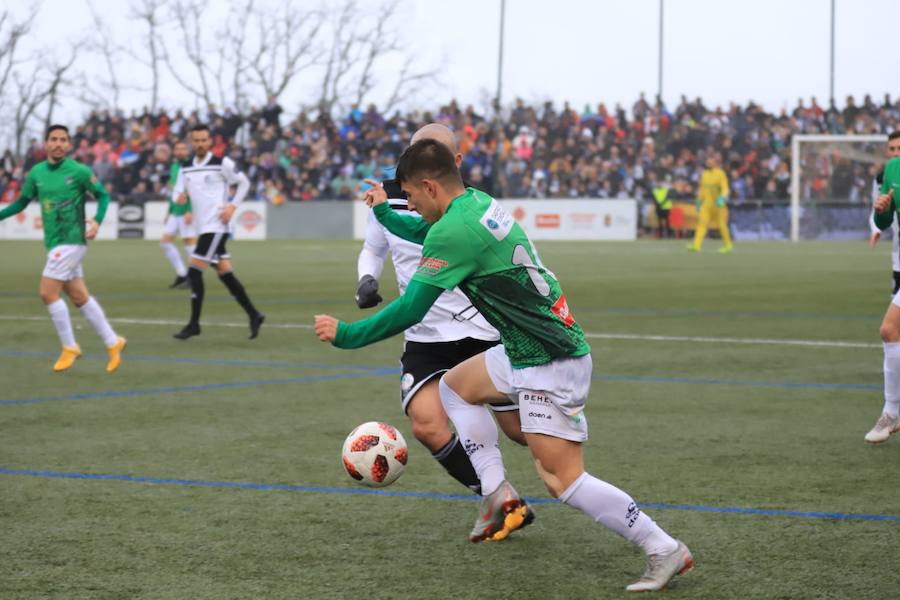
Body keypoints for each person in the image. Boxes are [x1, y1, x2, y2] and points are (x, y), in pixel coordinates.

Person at [316, 139, 692, 592]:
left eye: (412, 198)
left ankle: (663, 547)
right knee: (455, 388)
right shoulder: (474, 203)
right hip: (521, 346)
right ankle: (496, 494)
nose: (410, 206)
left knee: (561, 478)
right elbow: (425, 235)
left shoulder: (454, 231)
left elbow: (411, 309)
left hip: (549, 357)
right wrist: (385, 214)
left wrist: (346, 335)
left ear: (430, 187)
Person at [356, 124, 531, 528]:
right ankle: (501, 500)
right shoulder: (390, 194)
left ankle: (566, 449)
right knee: (427, 425)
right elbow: (373, 246)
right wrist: (366, 278)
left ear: (455, 162)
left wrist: (348, 335)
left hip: (480, 329)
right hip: (425, 335)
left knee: (519, 431)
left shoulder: (465, 204)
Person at [0, 124, 126, 373]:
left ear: (68, 145)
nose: (58, 144)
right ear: (46, 143)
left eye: (63, 140)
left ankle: (70, 346)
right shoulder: (36, 173)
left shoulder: (78, 171)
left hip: (73, 239)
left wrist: (97, 221)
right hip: (55, 242)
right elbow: (22, 202)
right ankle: (113, 342)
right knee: (79, 297)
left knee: (47, 293)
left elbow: (102, 195)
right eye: (54, 139)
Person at [171, 124, 264, 340]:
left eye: (204, 140)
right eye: (196, 140)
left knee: (194, 272)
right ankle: (254, 314)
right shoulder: (185, 168)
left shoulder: (222, 163)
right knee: (226, 274)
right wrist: (179, 197)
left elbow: (244, 183)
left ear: (209, 141)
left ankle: (194, 324)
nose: (200, 144)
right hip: (203, 228)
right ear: (191, 142)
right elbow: (177, 191)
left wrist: (232, 206)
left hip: (217, 226)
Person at [866, 151, 900, 444]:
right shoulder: (893, 169)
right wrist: (881, 209)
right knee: (889, 330)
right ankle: (891, 412)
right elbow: (886, 219)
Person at [160, 141, 196, 289]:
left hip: (186, 211)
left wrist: (190, 210)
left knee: (189, 244)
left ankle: (194, 276)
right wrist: (169, 211)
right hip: (175, 211)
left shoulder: (192, 166)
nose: (180, 151)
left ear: (187, 151)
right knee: (165, 242)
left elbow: (194, 189)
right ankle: (182, 274)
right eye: (177, 149)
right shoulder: (174, 166)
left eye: (183, 149)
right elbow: (173, 190)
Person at [868, 131, 900, 297]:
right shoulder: (883, 177)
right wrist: (876, 229)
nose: (895, 153)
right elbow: (877, 209)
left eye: (899, 148)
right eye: (892, 148)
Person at [687, 152, 733, 253]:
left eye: (711, 162)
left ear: (715, 163)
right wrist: (698, 201)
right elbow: (702, 189)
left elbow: (725, 188)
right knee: (701, 224)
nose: (709, 163)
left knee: (721, 225)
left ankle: (728, 245)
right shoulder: (704, 174)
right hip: (707, 205)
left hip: (718, 205)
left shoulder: (720, 173)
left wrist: (722, 198)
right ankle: (696, 245)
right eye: (708, 162)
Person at [651, 174, 673, 239]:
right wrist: (658, 204)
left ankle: (668, 234)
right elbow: (654, 198)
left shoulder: (666, 189)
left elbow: (667, 197)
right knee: (659, 221)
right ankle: (660, 235)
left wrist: (661, 204)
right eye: (658, 182)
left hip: (666, 207)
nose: (659, 184)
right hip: (659, 207)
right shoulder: (655, 190)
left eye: (660, 182)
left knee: (667, 221)